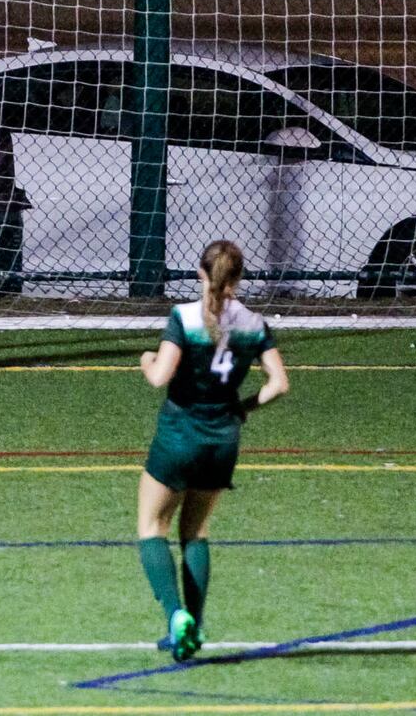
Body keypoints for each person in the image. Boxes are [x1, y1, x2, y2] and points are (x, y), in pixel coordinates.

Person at [137, 239, 290, 661]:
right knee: (196, 532)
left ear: (201, 274)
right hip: (223, 438)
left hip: (179, 434)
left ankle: (175, 617)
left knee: (152, 527)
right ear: (238, 278)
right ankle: (197, 626)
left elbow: (160, 377)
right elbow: (278, 384)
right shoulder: (254, 324)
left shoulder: (184, 317)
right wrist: (241, 409)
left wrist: (147, 359)